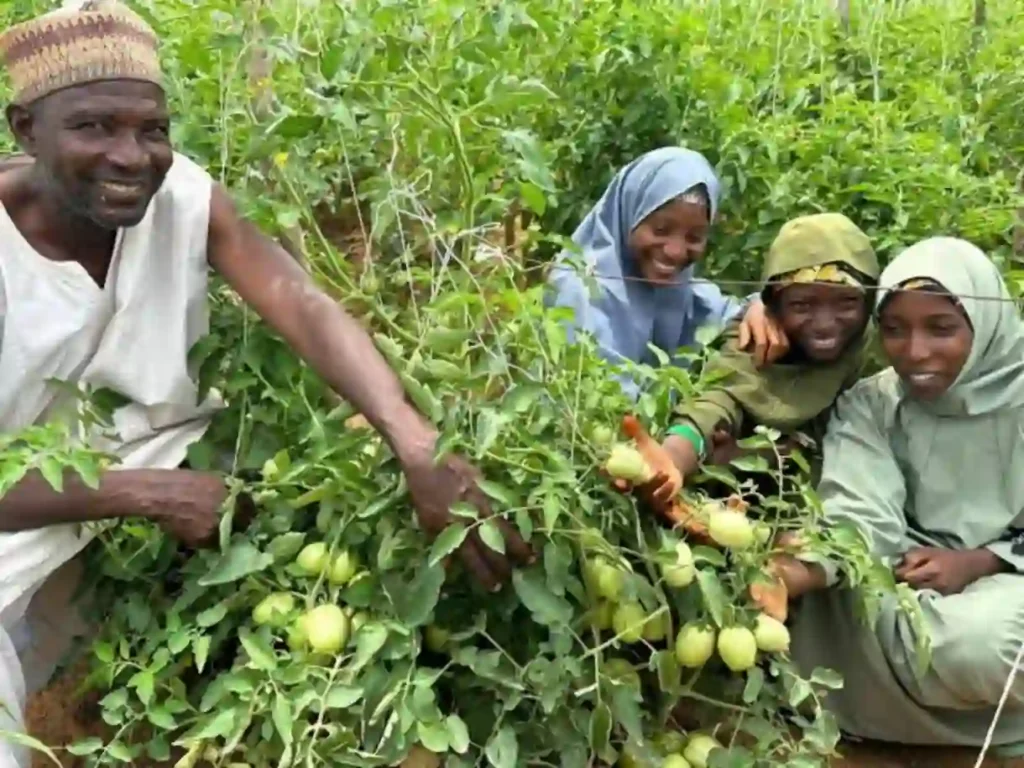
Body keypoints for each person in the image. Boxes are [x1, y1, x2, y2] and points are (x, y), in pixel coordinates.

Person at [0, 2, 531, 760]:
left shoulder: (180, 195)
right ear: (26, 129)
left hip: (167, 473)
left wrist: (416, 442)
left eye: (152, 129)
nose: (132, 155)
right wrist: (140, 493)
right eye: (93, 127)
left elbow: (299, 301)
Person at [776, 238, 1024, 752]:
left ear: (986, 325)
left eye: (941, 328)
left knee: (986, 646)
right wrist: (801, 568)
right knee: (831, 607)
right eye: (894, 330)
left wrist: (982, 561)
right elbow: (858, 510)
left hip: (1009, 581)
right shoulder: (875, 403)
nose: (915, 353)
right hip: (902, 576)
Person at [636, 212, 880, 508]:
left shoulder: (882, 346)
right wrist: (672, 458)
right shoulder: (757, 339)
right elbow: (714, 403)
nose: (825, 323)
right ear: (773, 305)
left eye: (846, 302)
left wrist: (759, 454)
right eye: (802, 305)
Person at [545, 147, 786, 399]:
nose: (675, 251)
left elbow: (729, 313)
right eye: (660, 229)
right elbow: (604, 405)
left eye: (694, 237)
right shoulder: (578, 290)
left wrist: (762, 306)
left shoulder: (681, 292)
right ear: (630, 213)